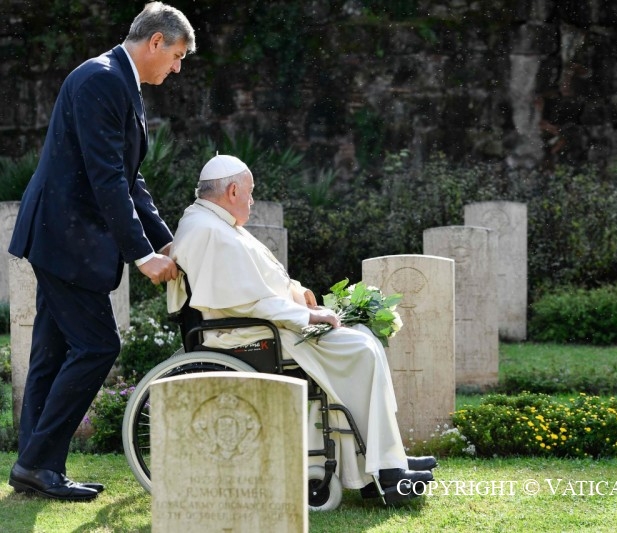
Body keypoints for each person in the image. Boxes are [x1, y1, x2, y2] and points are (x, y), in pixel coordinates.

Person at [7, 2, 195, 501]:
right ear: (156, 41)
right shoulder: (101, 79)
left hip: (62, 238)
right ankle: (34, 464)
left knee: (49, 355)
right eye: (176, 56)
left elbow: (131, 179)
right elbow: (105, 177)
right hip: (64, 238)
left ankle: (36, 467)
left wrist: (166, 239)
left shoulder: (119, 82)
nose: (176, 68)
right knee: (98, 347)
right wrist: (143, 256)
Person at [166, 154, 437, 496]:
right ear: (232, 190)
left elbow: (258, 283)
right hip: (251, 335)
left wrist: (298, 293)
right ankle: (383, 472)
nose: (252, 200)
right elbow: (247, 301)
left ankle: (385, 457)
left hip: (263, 326)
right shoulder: (209, 231)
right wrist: (309, 316)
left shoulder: (212, 222)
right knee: (362, 350)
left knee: (365, 338)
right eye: (249, 193)